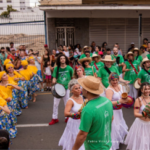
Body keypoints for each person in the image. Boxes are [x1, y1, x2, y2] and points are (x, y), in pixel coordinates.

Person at [73, 76, 113, 150]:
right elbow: (111, 119)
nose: (81, 89)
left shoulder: (87, 109)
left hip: (95, 147)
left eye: (82, 87)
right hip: (107, 144)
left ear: (86, 90)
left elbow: (82, 135)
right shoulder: (107, 101)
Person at [59, 79, 84, 150]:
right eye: (76, 88)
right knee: (76, 139)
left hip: (82, 122)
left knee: (83, 138)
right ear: (71, 90)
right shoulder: (70, 101)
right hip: (74, 123)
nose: (79, 89)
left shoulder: (82, 97)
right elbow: (66, 113)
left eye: (79, 88)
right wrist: (76, 114)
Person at [105, 73, 128, 150]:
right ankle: (113, 145)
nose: (115, 82)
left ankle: (118, 140)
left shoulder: (120, 86)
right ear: (110, 80)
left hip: (119, 110)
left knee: (119, 125)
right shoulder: (109, 89)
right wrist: (119, 101)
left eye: (116, 80)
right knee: (114, 127)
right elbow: (108, 102)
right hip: (113, 111)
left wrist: (126, 99)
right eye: (113, 80)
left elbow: (123, 95)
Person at [49, 54, 74, 125]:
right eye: (61, 58)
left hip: (67, 88)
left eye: (64, 58)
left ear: (66, 59)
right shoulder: (56, 68)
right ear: (59, 60)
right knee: (55, 104)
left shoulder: (69, 68)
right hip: (58, 89)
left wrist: (71, 87)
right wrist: (53, 80)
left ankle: (67, 117)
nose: (62, 59)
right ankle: (54, 118)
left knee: (67, 103)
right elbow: (54, 77)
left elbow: (72, 78)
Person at [125, 82, 150, 150]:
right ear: (141, 90)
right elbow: (135, 114)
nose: (147, 90)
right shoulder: (138, 100)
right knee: (142, 142)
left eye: (148, 89)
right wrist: (145, 114)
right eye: (145, 89)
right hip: (141, 125)